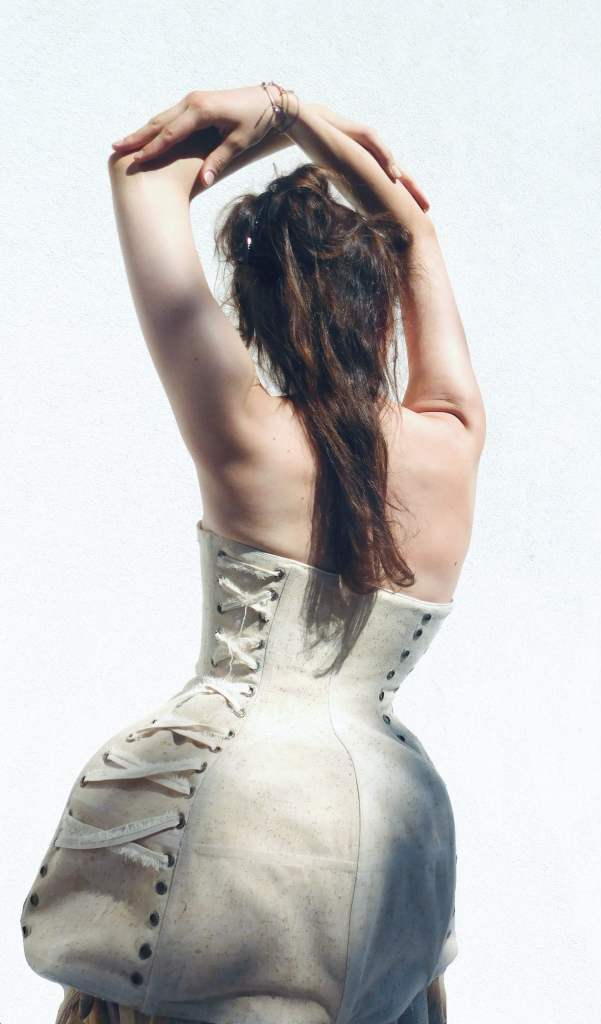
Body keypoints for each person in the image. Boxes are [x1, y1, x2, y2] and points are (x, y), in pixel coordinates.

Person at [21, 82, 486, 1024]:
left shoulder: (243, 427)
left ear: (255, 315)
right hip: (394, 831)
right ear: (385, 312)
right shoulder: (453, 438)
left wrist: (268, 113)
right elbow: (416, 234)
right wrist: (311, 121)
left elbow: (140, 172)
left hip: (232, 808)